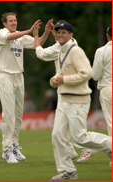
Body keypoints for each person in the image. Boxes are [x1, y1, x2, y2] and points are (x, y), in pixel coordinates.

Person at [34, 21, 112, 180]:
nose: (59, 35)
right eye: (58, 32)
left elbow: (87, 73)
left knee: (80, 138)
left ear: (70, 34)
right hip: (64, 98)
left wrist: (64, 80)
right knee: (57, 135)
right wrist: (54, 81)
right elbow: (60, 74)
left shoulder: (75, 51)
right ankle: (68, 171)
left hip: (78, 99)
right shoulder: (61, 49)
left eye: (63, 32)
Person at [0, 12, 50, 163]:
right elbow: (9, 37)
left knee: (18, 114)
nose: (14, 22)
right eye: (11, 21)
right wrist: (28, 31)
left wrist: (45, 32)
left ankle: (14, 146)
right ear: (4, 23)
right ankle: (6, 150)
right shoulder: (1, 34)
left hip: (19, 76)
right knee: (9, 114)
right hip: (5, 75)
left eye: (15, 20)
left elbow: (38, 44)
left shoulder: (21, 36)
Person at [92, 24, 112, 167]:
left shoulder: (102, 50)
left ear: (107, 35)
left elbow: (95, 75)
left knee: (111, 124)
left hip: (108, 88)